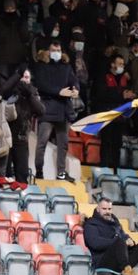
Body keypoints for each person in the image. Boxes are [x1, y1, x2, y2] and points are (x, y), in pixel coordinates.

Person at [33, 40, 79, 182]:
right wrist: (59, 92)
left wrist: (76, 89)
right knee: (42, 143)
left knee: (63, 145)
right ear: (48, 51)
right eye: (54, 50)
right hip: (47, 110)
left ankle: (61, 173)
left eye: (58, 50)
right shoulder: (41, 66)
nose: (56, 53)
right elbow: (41, 85)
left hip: (63, 111)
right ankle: (39, 171)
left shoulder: (66, 67)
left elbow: (74, 80)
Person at [83, 198, 138, 275]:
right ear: (98, 209)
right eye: (104, 209)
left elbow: (123, 235)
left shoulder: (115, 222)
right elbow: (95, 243)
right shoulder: (91, 224)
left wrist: (130, 240)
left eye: (109, 209)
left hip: (121, 259)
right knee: (119, 241)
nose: (107, 212)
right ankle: (128, 272)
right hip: (103, 262)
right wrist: (116, 241)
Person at [1, 68, 44, 183]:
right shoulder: (11, 90)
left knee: (22, 173)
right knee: (5, 173)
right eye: (22, 77)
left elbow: (41, 110)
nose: (24, 80)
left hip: (21, 138)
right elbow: (3, 90)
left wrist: (29, 95)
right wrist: (16, 78)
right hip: (7, 137)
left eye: (27, 77)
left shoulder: (33, 92)